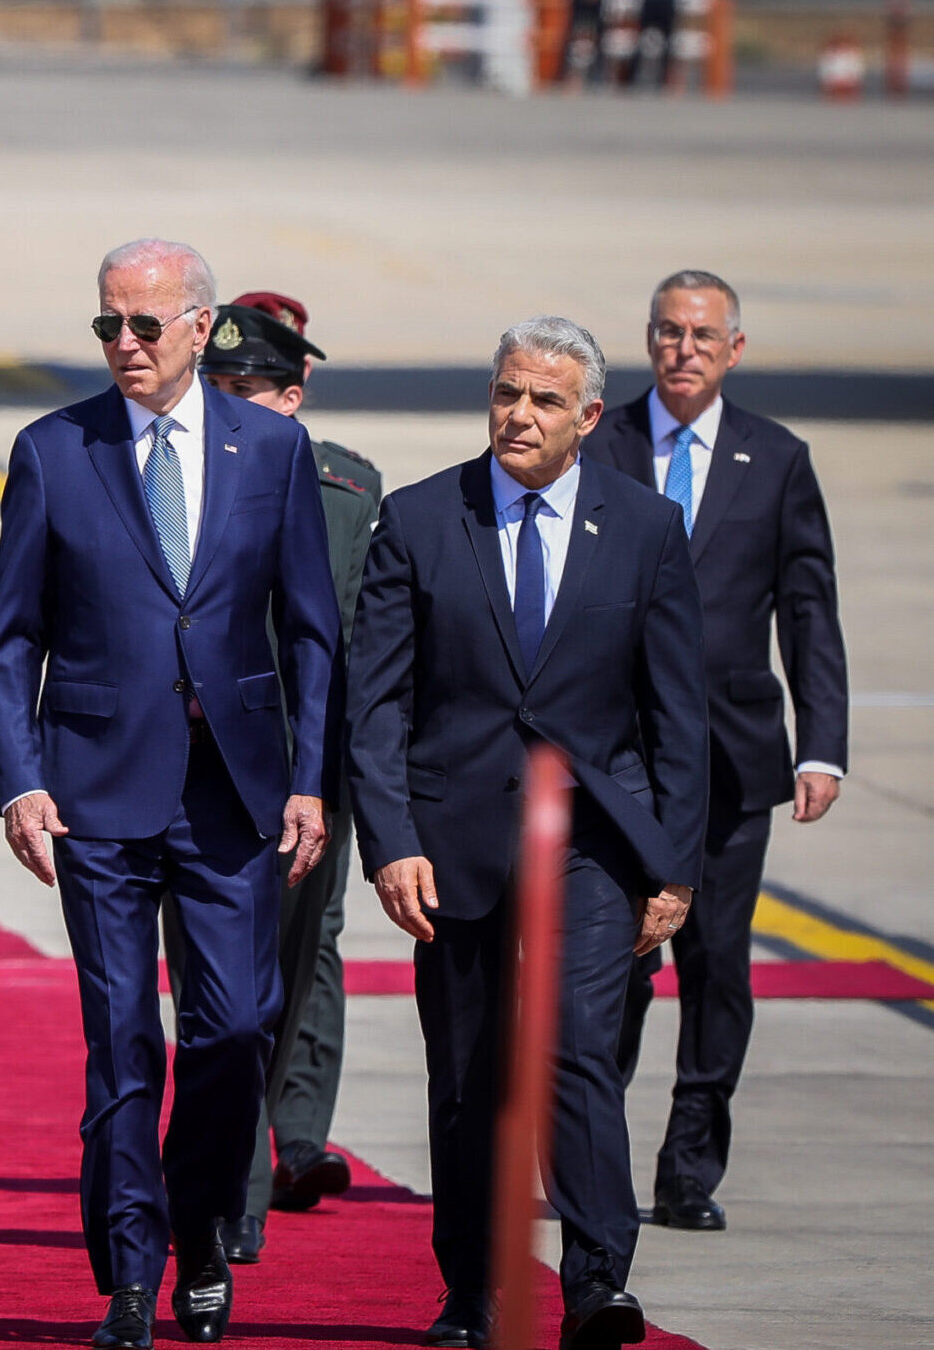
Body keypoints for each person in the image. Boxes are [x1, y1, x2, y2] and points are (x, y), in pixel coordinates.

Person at [0, 239, 341, 1349]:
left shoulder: (271, 450)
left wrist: (311, 783)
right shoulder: (54, 450)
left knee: (233, 1029)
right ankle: (131, 1277)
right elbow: (9, 641)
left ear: (200, 326)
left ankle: (200, 1235)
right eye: (106, 326)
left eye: (144, 325)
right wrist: (20, 782)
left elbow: (311, 633)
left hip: (233, 791)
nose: (124, 346)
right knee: (122, 1039)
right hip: (96, 789)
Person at [347, 317, 708, 1350]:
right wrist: (391, 842)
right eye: (507, 392)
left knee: (574, 1053)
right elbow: (376, 705)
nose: (518, 414)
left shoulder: (643, 528)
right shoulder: (418, 519)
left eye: (544, 400)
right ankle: (473, 1295)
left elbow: (674, 715)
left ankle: (596, 1284)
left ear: (587, 418)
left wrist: (670, 871)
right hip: (451, 846)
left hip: (591, 845)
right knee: (464, 1077)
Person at [589, 270, 848, 1233]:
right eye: (666, 332)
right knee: (613, 961)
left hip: (736, 760)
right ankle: (593, 1152)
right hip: (622, 762)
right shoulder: (600, 442)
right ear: (647, 341)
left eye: (701, 334)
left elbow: (808, 610)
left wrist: (822, 743)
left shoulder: (775, 459)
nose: (682, 349)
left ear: (732, 349)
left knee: (716, 966)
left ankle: (688, 1168)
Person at [194, 293, 381, 1265]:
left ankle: (288, 1136)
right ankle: (238, 1190)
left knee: (304, 959)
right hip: (204, 772)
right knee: (222, 989)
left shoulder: (347, 490)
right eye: (215, 385)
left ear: (295, 395)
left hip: (312, 774)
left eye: (249, 390)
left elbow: (362, 644)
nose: (229, 403)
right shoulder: (177, 478)